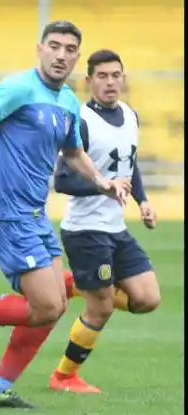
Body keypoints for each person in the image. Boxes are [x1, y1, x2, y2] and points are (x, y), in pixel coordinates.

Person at [0, 21, 130, 409]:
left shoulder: (67, 101)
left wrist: (103, 181)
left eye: (70, 49)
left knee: (57, 303)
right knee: (47, 305)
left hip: (35, 216)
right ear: (40, 49)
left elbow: (73, 152)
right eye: (55, 46)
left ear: (76, 57)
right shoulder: (18, 88)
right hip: (7, 214)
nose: (62, 54)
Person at [50, 49, 160, 392]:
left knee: (147, 298)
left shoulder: (131, 115)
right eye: (102, 76)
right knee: (102, 308)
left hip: (116, 229)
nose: (110, 82)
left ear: (123, 78)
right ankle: (63, 377)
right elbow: (62, 181)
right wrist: (103, 188)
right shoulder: (80, 120)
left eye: (115, 75)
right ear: (89, 81)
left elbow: (130, 164)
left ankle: (83, 285)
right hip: (85, 230)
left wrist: (142, 201)